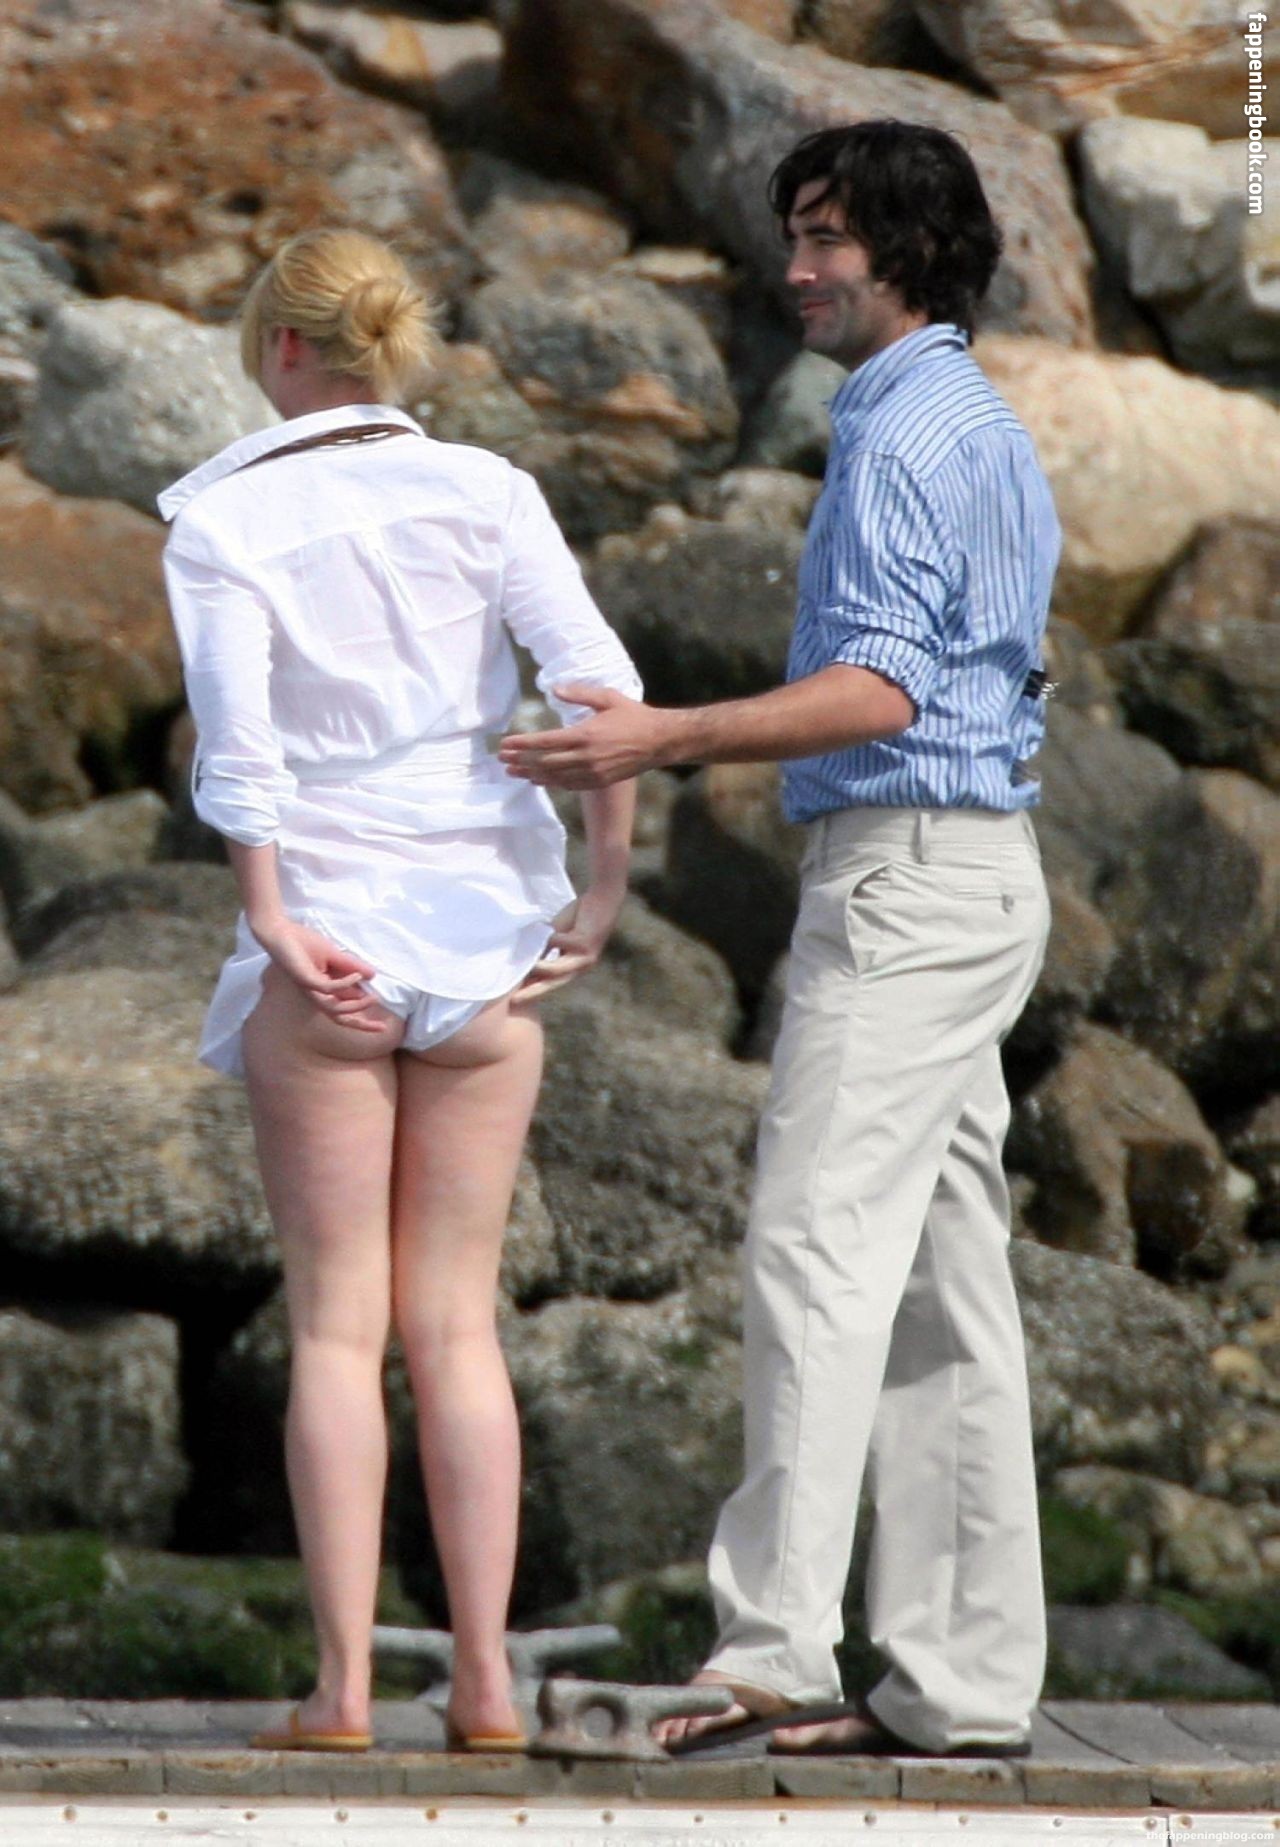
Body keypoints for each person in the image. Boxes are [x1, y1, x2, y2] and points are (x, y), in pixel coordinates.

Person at [500, 120, 1060, 1758]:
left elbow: (878, 693)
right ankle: (961, 1685)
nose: (796, 267)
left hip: (904, 880)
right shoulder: (980, 418)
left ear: (910, 252)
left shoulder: (896, 432)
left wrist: (660, 736)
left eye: (826, 237)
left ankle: (772, 1652)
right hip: (978, 876)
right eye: (795, 234)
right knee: (944, 1290)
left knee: (816, 1252)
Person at [158, 228, 640, 1753]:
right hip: (486, 950)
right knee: (458, 1330)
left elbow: (239, 751)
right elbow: (601, 693)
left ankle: (345, 1692)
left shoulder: (224, 519)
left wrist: (271, 918)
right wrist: (600, 890)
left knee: (332, 1332)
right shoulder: (488, 490)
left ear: (285, 349)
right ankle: (487, 1684)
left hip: (333, 950)